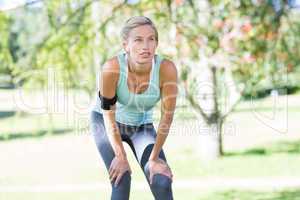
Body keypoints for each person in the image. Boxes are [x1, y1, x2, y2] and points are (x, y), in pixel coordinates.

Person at [89, 16, 178, 200]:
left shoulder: (166, 69)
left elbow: (167, 117)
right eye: (138, 40)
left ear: (156, 43)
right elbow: (108, 115)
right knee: (121, 179)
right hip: (106, 122)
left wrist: (154, 159)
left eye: (151, 39)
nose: (145, 46)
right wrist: (120, 156)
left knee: (161, 180)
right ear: (125, 45)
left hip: (141, 127)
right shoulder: (111, 68)